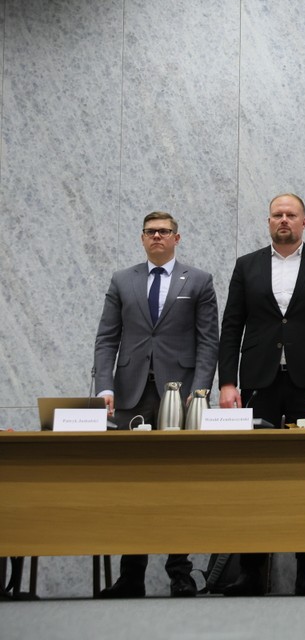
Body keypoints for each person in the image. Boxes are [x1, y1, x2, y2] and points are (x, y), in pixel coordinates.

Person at [217, 193, 305, 596]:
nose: (284, 220)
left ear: (304, 222)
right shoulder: (247, 265)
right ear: (268, 221)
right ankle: (251, 573)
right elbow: (231, 327)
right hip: (258, 382)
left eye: (291, 215)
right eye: (277, 214)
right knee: (255, 476)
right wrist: (227, 383)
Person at [91, 211, 219, 598]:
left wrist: (200, 391)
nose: (157, 237)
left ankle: (179, 573)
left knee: (179, 484)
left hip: (179, 395)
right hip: (130, 395)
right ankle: (131, 576)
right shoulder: (122, 280)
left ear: (177, 238)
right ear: (142, 238)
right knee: (133, 485)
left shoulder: (198, 280)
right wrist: (104, 387)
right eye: (151, 232)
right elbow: (106, 339)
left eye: (164, 232)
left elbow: (208, 341)